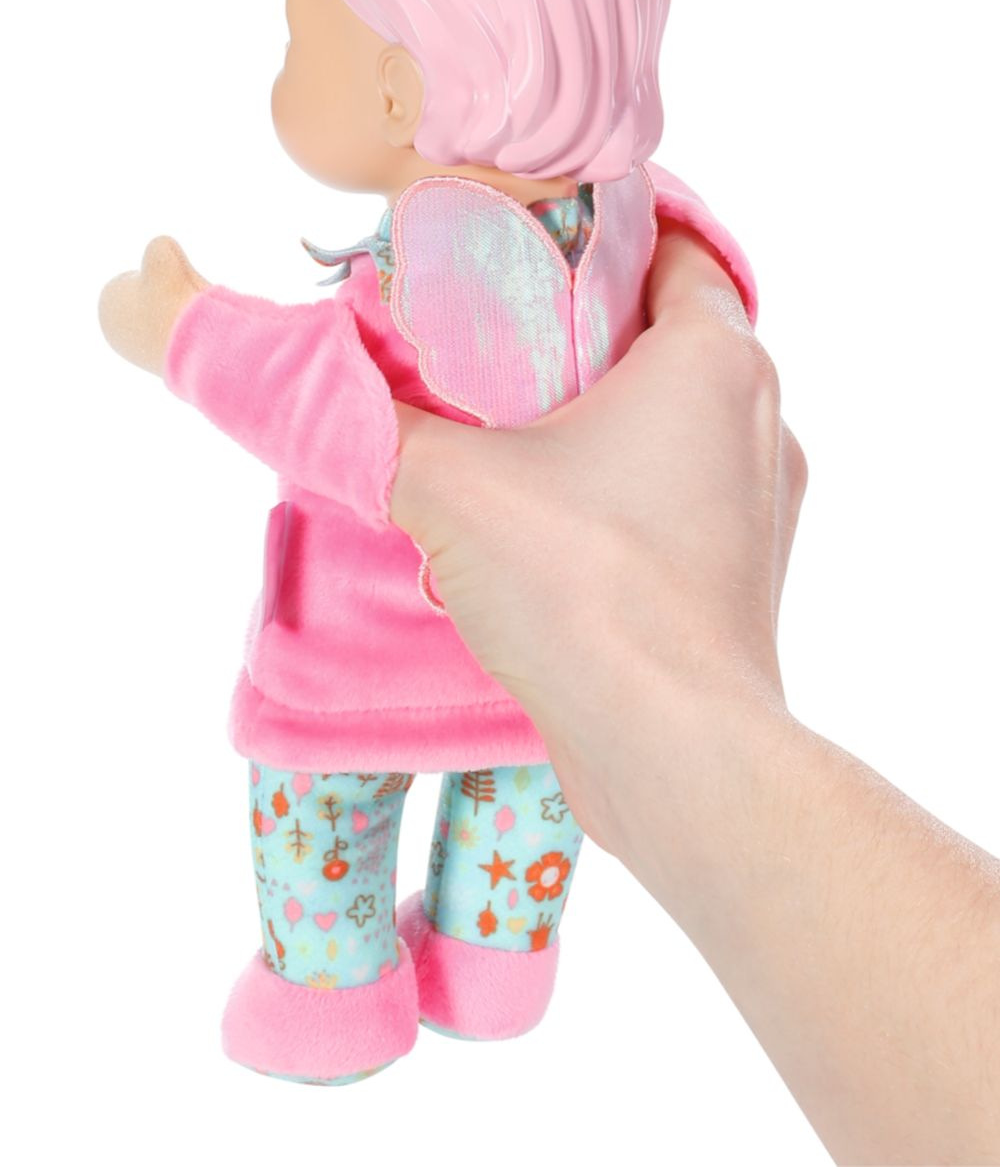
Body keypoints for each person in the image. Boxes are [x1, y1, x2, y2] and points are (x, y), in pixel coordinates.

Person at [387, 221, 1000, 1167]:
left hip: (411, 683)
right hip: (517, 704)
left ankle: (354, 993)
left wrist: (197, 334)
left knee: (354, 888)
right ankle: (442, 981)